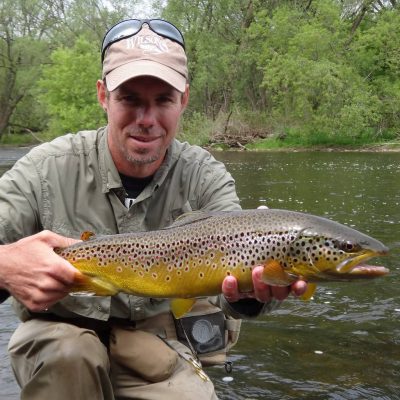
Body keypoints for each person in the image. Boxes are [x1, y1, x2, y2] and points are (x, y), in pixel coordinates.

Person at [0, 19, 307, 399]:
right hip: (59, 340)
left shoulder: (206, 177)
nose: (146, 120)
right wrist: (5, 265)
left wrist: (250, 292)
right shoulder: (43, 169)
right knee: (69, 355)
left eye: (163, 99)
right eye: (129, 99)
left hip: (156, 344)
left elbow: (236, 289)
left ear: (184, 100)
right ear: (102, 95)